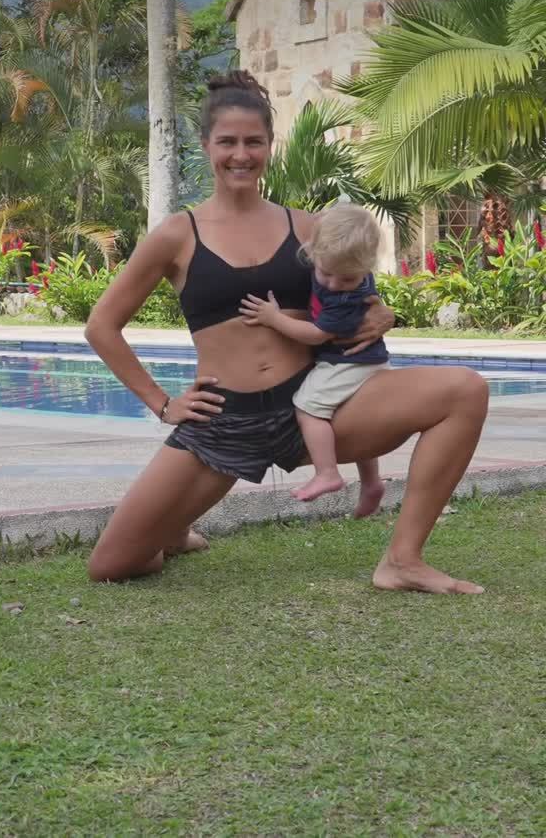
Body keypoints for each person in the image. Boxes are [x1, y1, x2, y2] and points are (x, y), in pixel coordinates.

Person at [85, 70, 488, 595]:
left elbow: (359, 291)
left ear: (270, 146)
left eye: (254, 142)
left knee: (465, 391)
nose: (241, 154)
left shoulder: (309, 227)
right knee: (113, 565)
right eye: (227, 142)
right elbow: (102, 327)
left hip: (313, 408)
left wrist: (383, 313)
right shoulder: (177, 235)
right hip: (225, 421)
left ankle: (402, 560)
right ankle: (175, 531)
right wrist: (162, 404)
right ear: (206, 145)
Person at [239, 203, 390, 504]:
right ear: (313, 251)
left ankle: (327, 472)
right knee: (359, 425)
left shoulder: (347, 298)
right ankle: (372, 482)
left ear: (366, 268)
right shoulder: (339, 260)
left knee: (308, 407)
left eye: (347, 278)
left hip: (349, 363)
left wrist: (274, 318)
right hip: (362, 359)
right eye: (326, 273)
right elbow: (323, 223)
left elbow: (316, 334)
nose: (334, 284)